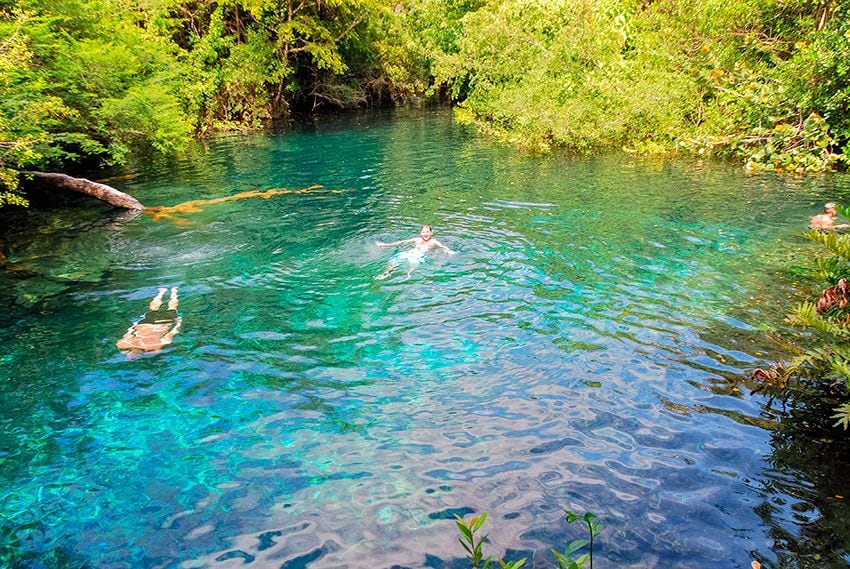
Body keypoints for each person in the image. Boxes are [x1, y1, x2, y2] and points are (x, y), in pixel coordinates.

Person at [117, 287, 182, 354]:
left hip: (148, 324)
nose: (131, 358)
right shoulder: (153, 349)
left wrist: (134, 325)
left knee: (156, 309)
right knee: (169, 308)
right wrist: (178, 324)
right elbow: (170, 335)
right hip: (161, 324)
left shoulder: (122, 345)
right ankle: (172, 292)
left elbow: (129, 332)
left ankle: (164, 292)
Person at [376, 224, 456, 280]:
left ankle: (408, 275)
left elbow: (443, 247)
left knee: (413, 264)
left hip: (420, 255)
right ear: (421, 233)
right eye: (424, 232)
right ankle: (386, 273)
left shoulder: (434, 242)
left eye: (427, 232)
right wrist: (386, 245)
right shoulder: (417, 239)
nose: (425, 234)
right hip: (410, 252)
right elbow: (401, 242)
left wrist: (449, 251)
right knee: (394, 260)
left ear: (431, 233)